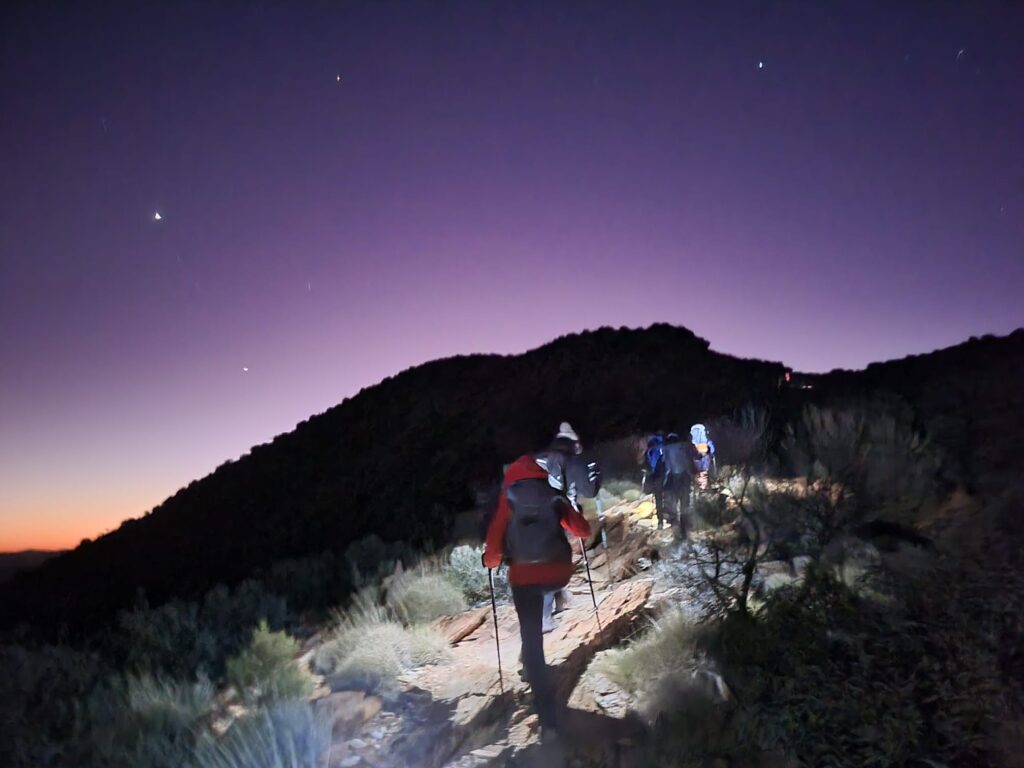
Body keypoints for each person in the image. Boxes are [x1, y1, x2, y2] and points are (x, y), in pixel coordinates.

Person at [483, 425, 593, 738]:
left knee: (532, 641)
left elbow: (492, 551)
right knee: (547, 587)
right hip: (558, 572)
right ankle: (551, 609)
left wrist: (491, 561)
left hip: (525, 576)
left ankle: (548, 722)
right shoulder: (553, 494)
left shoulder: (508, 498)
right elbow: (583, 531)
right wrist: (575, 509)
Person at [661, 431, 696, 535]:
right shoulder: (683, 446)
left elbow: (666, 464)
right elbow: (688, 460)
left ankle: (676, 523)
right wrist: (691, 473)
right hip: (685, 475)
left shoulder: (666, 448)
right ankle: (685, 524)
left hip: (673, 475)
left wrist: (665, 479)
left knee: (674, 498)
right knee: (685, 499)